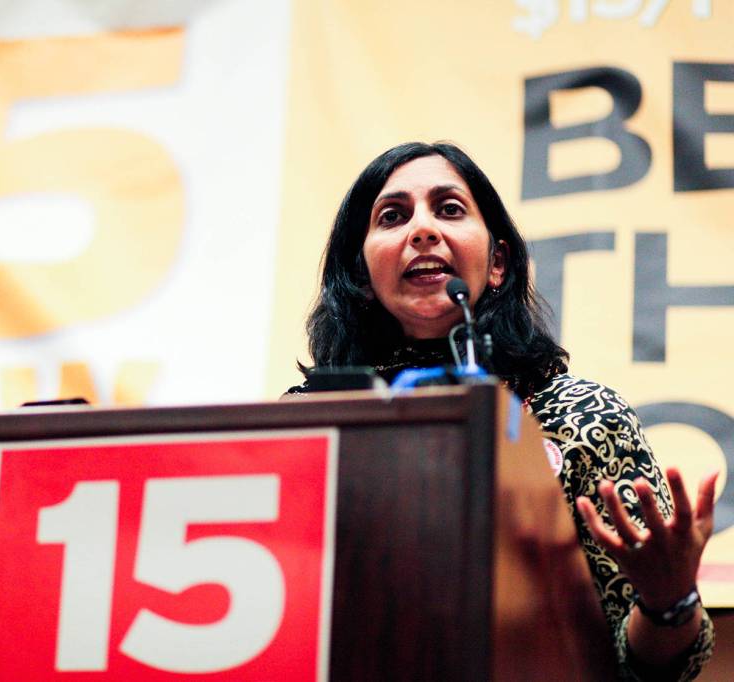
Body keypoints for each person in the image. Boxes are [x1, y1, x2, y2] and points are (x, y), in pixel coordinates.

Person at [290, 141, 717, 680]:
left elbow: (657, 669)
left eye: (449, 209)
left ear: (497, 263)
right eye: (392, 216)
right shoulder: (311, 422)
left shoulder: (579, 417)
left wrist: (668, 601)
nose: (422, 230)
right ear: (361, 272)